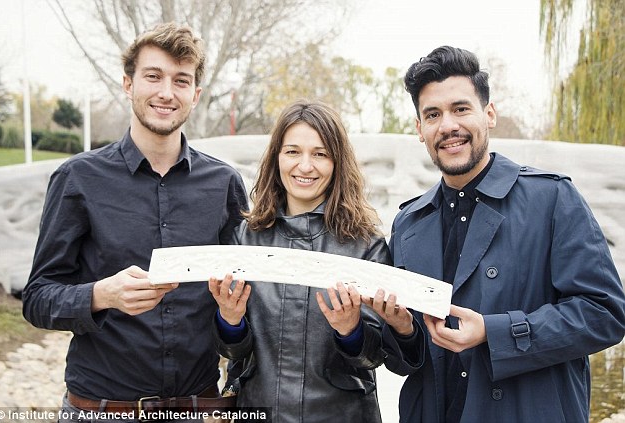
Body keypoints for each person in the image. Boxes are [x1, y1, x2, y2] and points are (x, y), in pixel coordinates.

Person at [368, 46, 625, 423]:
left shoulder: (552, 198)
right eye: (433, 114)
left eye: (460, 109)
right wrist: (403, 330)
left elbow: (605, 314)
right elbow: (407, 360)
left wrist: (494, 332)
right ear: (420, 129)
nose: (447, 126)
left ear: (488, 114)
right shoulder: (409, 223)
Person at [22, 22, 248, 422]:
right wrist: (101, 295)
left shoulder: (225, 184)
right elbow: (38, 298)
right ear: (129, 84)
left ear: (195, 95)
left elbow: (243, 299)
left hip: (196, 407)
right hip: (100, 410)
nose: (166, 92)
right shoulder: (78, 178)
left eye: (181, 80)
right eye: (153, 76)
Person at [207, 99, 393, 422]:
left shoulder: (366, 244)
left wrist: (351, 330)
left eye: (320, 154)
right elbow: (232, 353)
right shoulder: (245, 239)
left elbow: (375, 356)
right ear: (276, 157)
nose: (305, 166)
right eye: (293, 151)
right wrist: (230, 320)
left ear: (337, 162)